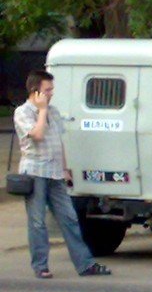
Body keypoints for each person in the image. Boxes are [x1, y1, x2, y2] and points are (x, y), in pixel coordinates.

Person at [13, 70, 111, 278]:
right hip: (35, 172)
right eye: (47, 90)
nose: (51, 93)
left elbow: (59, 143)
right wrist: (41, 111)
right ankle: (41, 266)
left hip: (56, 173)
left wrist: (65, 168)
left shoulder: (54, 111)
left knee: (70, 218)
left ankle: (85, 264)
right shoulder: (23, 112)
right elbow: (38, 135)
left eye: (52, 89)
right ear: (35, 91)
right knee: (37, 221)